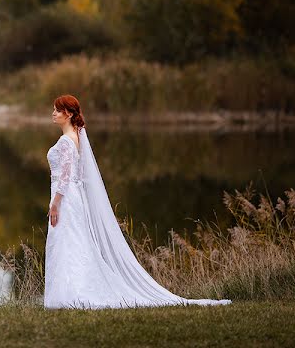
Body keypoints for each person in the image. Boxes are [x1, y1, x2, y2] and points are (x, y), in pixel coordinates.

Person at [44, 94, 232, 309]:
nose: (54, 113)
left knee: (69, 242)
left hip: (66, 199)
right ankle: (71, 291)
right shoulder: (75, 136)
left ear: (68, 114)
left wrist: (55, 204)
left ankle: (71, 293)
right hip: (74, 198)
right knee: (74, 242)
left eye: (58, 110)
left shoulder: (66, 141)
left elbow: (66, 177)